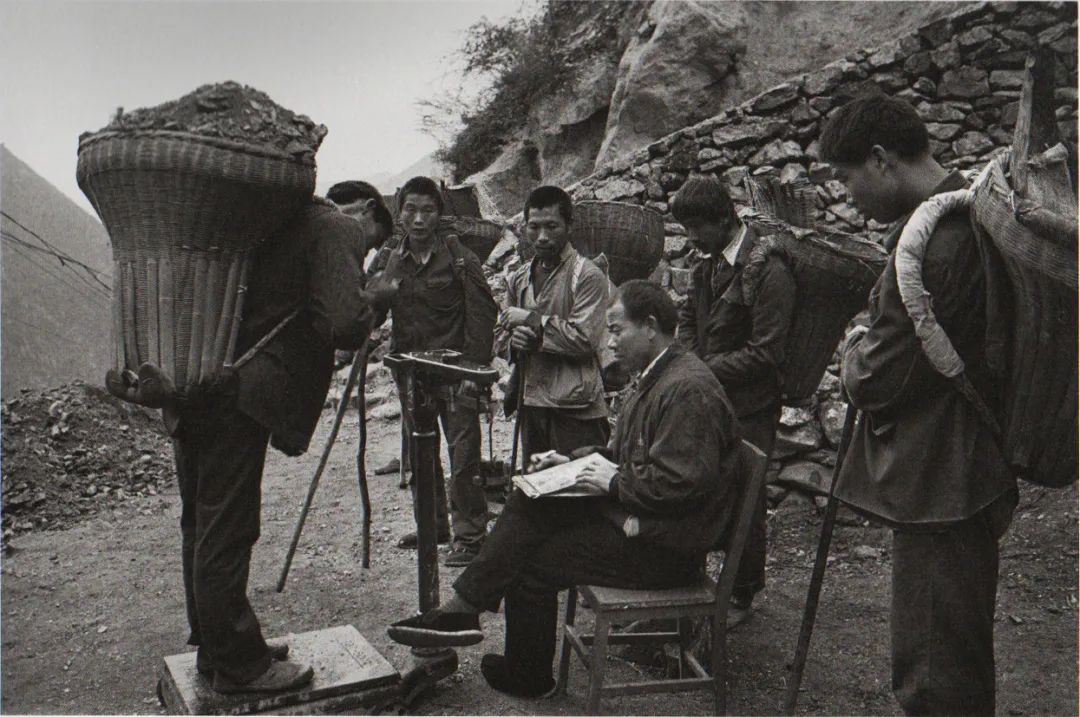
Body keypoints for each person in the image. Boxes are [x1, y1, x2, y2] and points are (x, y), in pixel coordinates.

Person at [386, 281, 743, 699]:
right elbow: (630, 452)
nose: (609, 343)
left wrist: (611, 480)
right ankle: (466, 610)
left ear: (649, 326)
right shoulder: (659, 374)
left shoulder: (687, 389)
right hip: (643, 521)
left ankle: (514, 660)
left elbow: (682, 484)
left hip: (663, 547)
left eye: (615, 330)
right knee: (530, 499)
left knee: (533, 560)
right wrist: (573, 459)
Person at [821, 94, 1016, 716]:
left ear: (880, 159)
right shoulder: (961, 216)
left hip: (944, 481)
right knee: (947, 654)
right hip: (962, 470)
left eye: (847, 178)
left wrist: (853, 346)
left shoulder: (936, 242)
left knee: (936, 674)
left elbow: (879, 375)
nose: (848, 194)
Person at [169, 193, 384, 693]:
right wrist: (379, 296)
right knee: (228, 528)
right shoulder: (334, 227)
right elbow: (345, 323)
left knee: (200, 522)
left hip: (192, 384)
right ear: (368, 211)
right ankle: (240, 665)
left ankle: (214, 646)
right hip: (239, 397)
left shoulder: (253, 219)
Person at [671, 174, 796, 626]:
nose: (691, 238)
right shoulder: (708, 263)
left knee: (746, 496)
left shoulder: (768, 268)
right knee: (703, 488)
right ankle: (694, 585)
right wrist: (688, 355)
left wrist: (704, 368)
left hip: (751, 406)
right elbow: (688, 316)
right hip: (713, 399)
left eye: (696, 228)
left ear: (724, 218)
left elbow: (767, 352)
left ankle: (742, 594)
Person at [367, 175, 498, 567]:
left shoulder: (460, 258)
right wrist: (376, 295)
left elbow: (482, 316)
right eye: (410, 210)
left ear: (439, 214)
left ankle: (470, 536)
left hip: (456, 374)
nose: (419, 219)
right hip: (411, 374)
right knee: (421, 454)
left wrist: (475, 374)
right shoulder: (390, 259)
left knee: (463, 457)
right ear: (398, 213)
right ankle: (432, 526)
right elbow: (373, 316)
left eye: (427, 210)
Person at [501, 185, 611, 463]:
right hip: (532, 403)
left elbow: (585, 339)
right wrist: (515, 342)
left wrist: (532, 322)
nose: (542, 237)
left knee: (578, 494)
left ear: (569, 225)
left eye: (552, 226)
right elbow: (501, 332)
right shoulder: (519, 278)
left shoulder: (587, 276)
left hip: (576, 409)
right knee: (537, 492)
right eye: (533, 227)